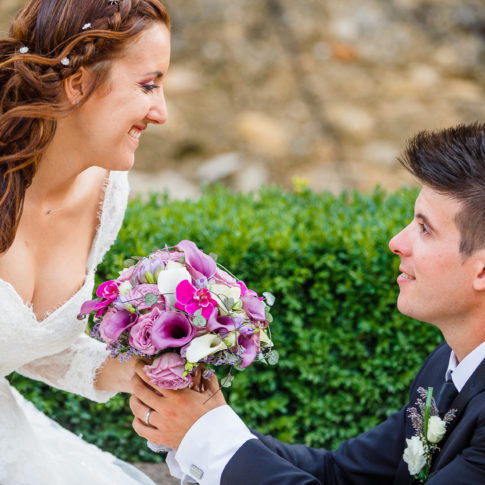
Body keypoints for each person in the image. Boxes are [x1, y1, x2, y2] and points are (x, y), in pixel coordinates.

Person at [130, 122, 485, 484]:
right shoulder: (446, 363)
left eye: (425, 229)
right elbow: (338, 473)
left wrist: (210, 439)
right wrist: (204, 424)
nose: (397, 241)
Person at [0, 0, 171, 483]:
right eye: (148, 85)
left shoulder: (107, 194)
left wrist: (128, 369)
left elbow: (20, 340)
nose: (161, 112)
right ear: (78, 84)